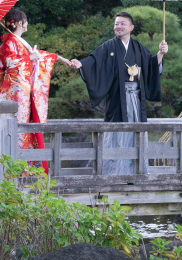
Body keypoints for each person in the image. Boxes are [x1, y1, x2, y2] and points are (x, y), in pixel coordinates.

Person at [69, 11, 168, 174]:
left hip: (136, 99)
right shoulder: (108, 46)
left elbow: (150, 67)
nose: (118, 27)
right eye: (116, 24)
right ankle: (113, 171)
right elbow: (93, 60)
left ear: (131, 27)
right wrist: (80, 64)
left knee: (136, 132)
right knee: (116, 134)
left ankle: (137, 170)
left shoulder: (138, 48)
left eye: (122, 23)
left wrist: (160, 54)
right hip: (117, 100)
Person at [0, 9, 71, 172]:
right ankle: (16, 168)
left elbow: (39, 55)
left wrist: (59, 58)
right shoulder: (10, 43)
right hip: (15, 96)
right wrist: (29, 58)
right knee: (18, 128)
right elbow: (10, 64)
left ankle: (25, 167)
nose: (27, 23)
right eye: (26, 21)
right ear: (20, 23)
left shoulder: (17, 41)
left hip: (23, 94)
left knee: (25, 126)